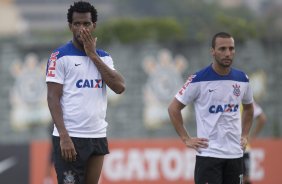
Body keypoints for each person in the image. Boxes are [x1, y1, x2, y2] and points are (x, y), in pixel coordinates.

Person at [46, 1, 125, 184]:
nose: (82, 29)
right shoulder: (60, 56)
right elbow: (52, 98)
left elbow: (119, 87)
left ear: (94, 25)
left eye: (86, 24)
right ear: (70, 26)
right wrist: (63, 136)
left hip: (97, 135)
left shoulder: (104, 57)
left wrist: (92, 55)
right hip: (70, 138)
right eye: (77, 24)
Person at [168, 32, 254, 184]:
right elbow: (173, 108)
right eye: (222, 49)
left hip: (235, 155)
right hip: (209, 156)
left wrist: (245, 134)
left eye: (231, 48)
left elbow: (249, 108)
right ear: (212, 51)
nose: (228, 53)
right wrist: (186, 139)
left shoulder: (242, 79)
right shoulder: (198, 79)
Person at [243, 101, 266, 184]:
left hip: (226, 149)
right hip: (243, 147)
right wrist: (252, 136)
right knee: (245, 180)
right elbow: (262, 118)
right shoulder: (246, 98)